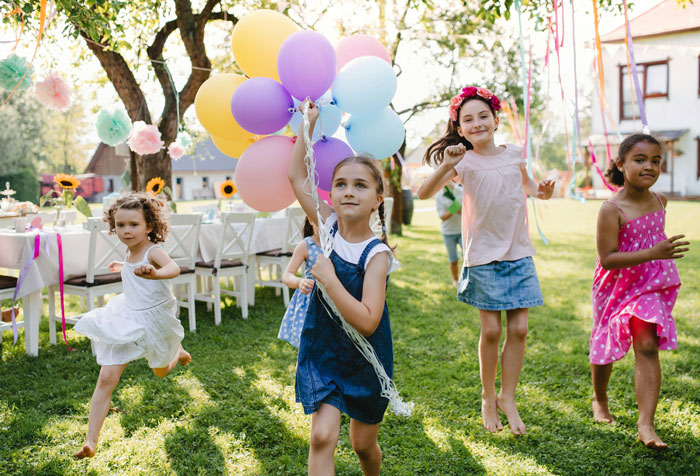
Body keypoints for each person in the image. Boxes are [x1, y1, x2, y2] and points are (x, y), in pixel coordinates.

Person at [417, 86, 555, 435]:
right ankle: (487, 395)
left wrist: (545, 191)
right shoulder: (463, 161)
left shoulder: (515, 155)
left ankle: (508, 397)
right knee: (491, 331)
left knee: (520, 329)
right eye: (467, 119)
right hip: (482, 256)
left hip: (518, 252)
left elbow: (531, 187)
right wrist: (447, 164)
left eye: (483, 116)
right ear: (459, 129)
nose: (477, 123)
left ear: (495, 119)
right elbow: (423, 192)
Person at [288, 100, 399, 476]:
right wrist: (308, 124)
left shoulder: (377, 253)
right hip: (324, 350)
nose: (349, 192)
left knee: (363, 446)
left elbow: (368, 321)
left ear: (377, 199)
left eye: (360, 185)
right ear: (331, 194)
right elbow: (297, 177)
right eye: (340, 184)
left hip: (366, 357)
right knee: (321, 436)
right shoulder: (326, 226)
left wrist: (331, 279)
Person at [73, 192, 191, 459]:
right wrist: (123, 267)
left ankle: (176, 353)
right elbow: (133, 267)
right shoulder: (129, 250)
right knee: (107, 377)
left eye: (134, 225)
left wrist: (155, 273)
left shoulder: (153, 251)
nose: (126, 231)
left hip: (155, 320)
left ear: (149, 226)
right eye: (120, 225)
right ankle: (91, 440)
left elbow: (174, 268)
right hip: (127, 316)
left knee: (161, 371)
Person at [590, 134, 688, 449]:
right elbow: (608, 259)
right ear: (621, 164)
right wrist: (652, 252)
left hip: (649, 285)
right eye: (640, 160)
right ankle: (599, 399)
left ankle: (646, 424)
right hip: (616, 284)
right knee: (605, 343)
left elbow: (652, 244)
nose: (649, 166)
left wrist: (655, 254)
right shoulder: (610, 208)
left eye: (656, 161)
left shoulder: (661, 201)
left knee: (647, 344)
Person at [279, 217, 322, 348]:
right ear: (310, 219)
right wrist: (299, 282)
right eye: (319, 218)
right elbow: (287, 275)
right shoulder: (306, 245)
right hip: (311, 302)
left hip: (335, 299)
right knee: (308, 346)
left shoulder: (340, 244)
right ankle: (302, 367)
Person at [435, 181, 463, 286]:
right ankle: (455, 281)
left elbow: (464, 211)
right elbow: (442, 217)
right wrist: (454, 207)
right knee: (453, 259)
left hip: (462, 230)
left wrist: (456, 207)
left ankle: (467, 279)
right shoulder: (439, 196)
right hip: (448, 233)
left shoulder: (460, 191)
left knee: (467, 257)